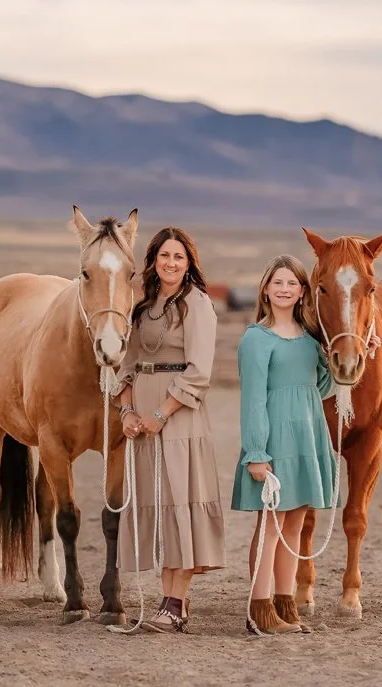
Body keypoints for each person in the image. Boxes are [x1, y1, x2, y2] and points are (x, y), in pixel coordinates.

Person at [114, 227, 226, 633]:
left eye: (179, 257)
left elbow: (199, 372)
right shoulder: (143, 304)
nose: (171, 263)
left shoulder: (197, 303)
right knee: (159, 506)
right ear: (154, 260)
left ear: (189, 262)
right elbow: (126, 363)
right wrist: (126, 410)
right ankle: (168, 600)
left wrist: (161, 414)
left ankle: (175, 603)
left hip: (179, 415)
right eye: (165, 256)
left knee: (181, 502)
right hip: (142, 416)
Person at [231, 254, 339, 635]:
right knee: (271, 524)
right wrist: (257, 452)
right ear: (265, 289)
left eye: (292, 283)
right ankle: (258, 609)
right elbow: (253, 400)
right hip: (275, 440)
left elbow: (322, 388)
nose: (284, 289)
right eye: (277, 282)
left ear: (302, 292)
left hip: (307, 435)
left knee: (295, 523)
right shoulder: (256, 339)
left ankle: (284, 602)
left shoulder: (310, 340)